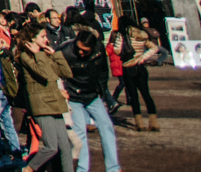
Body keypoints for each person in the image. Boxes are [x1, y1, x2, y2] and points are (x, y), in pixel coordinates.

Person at [14, 24, 74, 172]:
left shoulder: (44, 53)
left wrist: (55, 55)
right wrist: (39, 55)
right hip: (41, 104)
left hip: (55, 102)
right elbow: (44, 74)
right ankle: (27, 169)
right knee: (51, 147)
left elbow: (67, 73)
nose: (46, 40)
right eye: (42, 37)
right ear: (32, 39)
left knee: (65, 146)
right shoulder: (25, 56)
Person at [60, 25, 119, 172]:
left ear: (92, 48)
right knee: (80, 134)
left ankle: (113, 167)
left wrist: (100, 90)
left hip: (92, 95)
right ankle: (82, 169)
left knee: (107, 126)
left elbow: (103, 71)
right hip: (73, 96)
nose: (80, 52)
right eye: (78, 48)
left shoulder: (99, 49)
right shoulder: (65, 51)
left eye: (85, 51)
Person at [116, 16, 157, 131]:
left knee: (133, 96)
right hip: (140, 67)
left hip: (128, 67)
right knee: (146, 94)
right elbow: (154, 48)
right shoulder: (141, 34)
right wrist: (142, 58)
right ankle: (153, 122)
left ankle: (139, 124)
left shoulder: (122, 34)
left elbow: (117, 50)